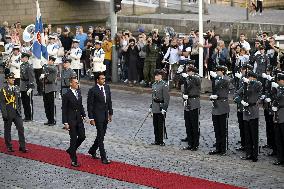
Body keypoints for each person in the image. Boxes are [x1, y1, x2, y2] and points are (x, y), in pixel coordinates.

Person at [87, 73, 113, 164]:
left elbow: (109, 101)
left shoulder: (107, 87)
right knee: (101, 136)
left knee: (101, 135)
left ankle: (92, 150)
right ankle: (103, 157)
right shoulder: (92, 90)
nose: (104, 80)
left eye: (104, 79)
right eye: (102, 79)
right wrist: (91, 118)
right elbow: (89, 105)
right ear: (97, 80)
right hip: (97, 116)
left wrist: (110, 113)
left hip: (105, 115)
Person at [239, 71, 262, 162]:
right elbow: (237, 94)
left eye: (250, 77)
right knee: (247, 134)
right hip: (246, 112)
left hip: (253, 111)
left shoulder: (257, 84)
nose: (249, 79)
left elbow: (258, 86)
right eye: (248, 77)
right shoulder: (245, 85)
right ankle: (248, 153)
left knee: (254, 135)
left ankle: (255, 154)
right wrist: (241, 101)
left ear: (254, 78)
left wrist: (250, 82)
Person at [0, 72, 27, 153]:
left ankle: (22, 146)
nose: (13, 79)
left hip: (17, 112)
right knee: (7, 130)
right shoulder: (3, 90)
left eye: (13, 78)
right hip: (8, 112)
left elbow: (19, 101)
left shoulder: (17, 88)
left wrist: (20, 111)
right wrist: (4, 114)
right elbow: (2, 103)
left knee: (21, 128)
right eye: (11, 78)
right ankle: (9, 146)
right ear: (7, 79)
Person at [62, 77, 86, 167]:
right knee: (73, 139)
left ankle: (71, 150)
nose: (77, 84)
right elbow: (64, 109)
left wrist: (84, 115)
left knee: (82, 136)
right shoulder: (66, 94)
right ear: (71, 84)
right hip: (71, 120)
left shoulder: (78, 92)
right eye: (75, 83)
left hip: (79, 119)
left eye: (78, 83)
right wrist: (65, 122)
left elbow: (80, 105)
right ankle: (74, 160)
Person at [209, 65, 230, 156]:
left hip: (223, 104)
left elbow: (227, 82)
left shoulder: (226, 79)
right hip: (216, 105)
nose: (217, 72)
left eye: (218, 71)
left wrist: (218, 77)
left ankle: (223, 149)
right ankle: (218, 147)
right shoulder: (215, 79)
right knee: (217, 129)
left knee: (222, 128)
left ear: (222, 71)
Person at [181, 65, 201, 151]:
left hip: (194, 101)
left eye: (189, 71)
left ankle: (195, 144)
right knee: (188, 124)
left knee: (194, 124)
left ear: (193, 71)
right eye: (187, 71)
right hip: (187, 101)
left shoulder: (196, 77)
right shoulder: (187, 78)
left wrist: (190, 76)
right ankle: (190, 143)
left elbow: (196, 81)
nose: (188, 73)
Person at [234, 63, 253, 151]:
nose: (243, 71)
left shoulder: (249, 80)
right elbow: (236, 90)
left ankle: (248, 144)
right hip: (240, 104)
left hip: (246, 105)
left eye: (245, 69)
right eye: (243, 69)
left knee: (247, 126)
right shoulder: (241, 79)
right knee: (241, 125)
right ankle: (243, 142)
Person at [149, 70, 170, 146]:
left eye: (157, 75)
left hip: (160, 107)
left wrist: (165, 108)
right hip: (155, 107)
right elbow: (153, 97)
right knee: (155, 124)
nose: (155, 77)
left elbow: (166, 98)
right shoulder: (154, 84)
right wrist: (151, 106)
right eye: (155, 75)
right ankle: (156, 140)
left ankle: (161, 140)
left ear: (160, 76)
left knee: (160, 125)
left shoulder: (164, 85)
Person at [41, 56, 58, 126]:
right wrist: (41, 78)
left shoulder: (54, 68)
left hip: (51, 88)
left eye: (50, 60)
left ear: (53, 61)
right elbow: (43, 75)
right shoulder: (46, 68)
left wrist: (44, 65)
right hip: (45, 88)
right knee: (46, 105)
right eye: (49, 60)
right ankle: (49, 119)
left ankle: (53, 120)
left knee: (51, 105)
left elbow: (52, 69)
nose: (49, 61)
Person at [272, 73, 284, 165]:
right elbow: (274, 98)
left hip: (283, 114)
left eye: (279, 80)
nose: (278, 82)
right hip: (277, 115)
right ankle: (280, 158)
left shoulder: (280, 89)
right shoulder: (278, 88)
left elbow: (279, 97)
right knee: (278, 138)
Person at [20, 53, 35, 122]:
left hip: (27, 85)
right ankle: (26, 116)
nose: (21, 58)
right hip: (23, 85)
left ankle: (29, 117)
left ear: (26, 58)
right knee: (24, 101)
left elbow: (31, 77)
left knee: (28, 102)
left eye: (23, 57)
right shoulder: (22, 65)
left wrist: (31, 87)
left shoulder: (29, 66)